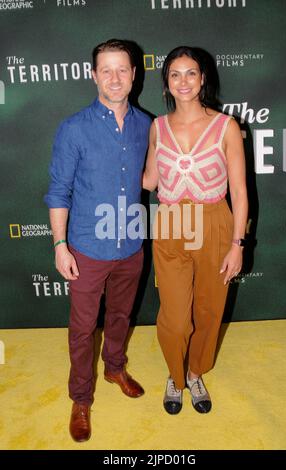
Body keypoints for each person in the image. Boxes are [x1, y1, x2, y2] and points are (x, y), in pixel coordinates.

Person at [44, 39, 151, 441]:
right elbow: (59, 191)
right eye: (105, 70)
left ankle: (115, 367)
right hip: (87, 247)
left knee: (121, 316)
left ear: (134, 74)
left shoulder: (147, 125)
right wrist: (59, 245)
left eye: (122, 69)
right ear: (93, 76)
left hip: (131, 245)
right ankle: (81, 397)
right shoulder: (73, 128)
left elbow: (151, 179)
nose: (114, 77)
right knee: (84, 328)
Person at [143, 46, 248, 415]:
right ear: (166, 82)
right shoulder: (157, 127)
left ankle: (194, 371)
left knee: (208, 309)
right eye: (175, 74)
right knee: (174, 316)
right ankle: (174, 374)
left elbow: (239, 190)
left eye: (191, 73)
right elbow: (151, 180)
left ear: (203, 78)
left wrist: (237, 244)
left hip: (215, 221)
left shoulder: (226, 126)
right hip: (171, 223)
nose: (183, 81)